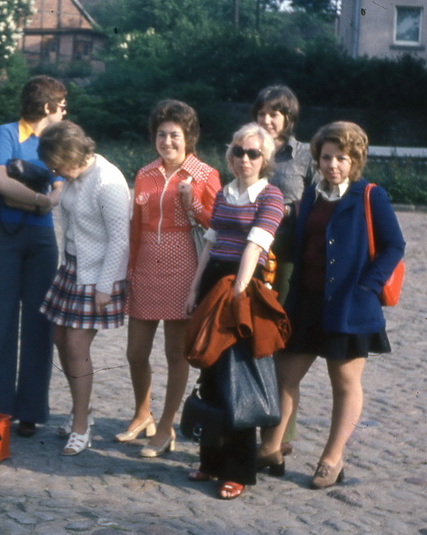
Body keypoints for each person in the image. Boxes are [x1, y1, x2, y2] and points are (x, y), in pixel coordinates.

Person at [258, 121, 405, 489]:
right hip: (306, 301)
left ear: (355, 160)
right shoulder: (311, 195)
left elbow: (394, 246)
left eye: (341, 158)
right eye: (326, 157)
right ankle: (271, 448)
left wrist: (367, 288)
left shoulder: (371, 196)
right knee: (285, 376)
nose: (332, 165)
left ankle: (332, 457)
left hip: (349, 305)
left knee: (344, 383)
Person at [184, 122, 283, 499]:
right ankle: (210, 462)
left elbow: (254, 249)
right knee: (210, 373)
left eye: (253, 153)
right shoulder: (224, 195)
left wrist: (237, 294)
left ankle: (238, 470)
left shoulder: (270, 197)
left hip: (243, 289)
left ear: (265, 159)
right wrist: (195, 288)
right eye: (238, 151)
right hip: (214, 284)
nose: (244, 159)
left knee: (238, 381)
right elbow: (211, 243)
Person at [122, 100, 220, 457]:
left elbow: (217, 224)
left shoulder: (205, 174)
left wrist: (193, 202)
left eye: (174, 135)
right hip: (146, 268)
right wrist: (130, 270)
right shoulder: (145, 173)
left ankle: (166, 427)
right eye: (161, 134)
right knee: (135, 352)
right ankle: (142, 413)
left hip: (184, 271)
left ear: (188, 136)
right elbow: (136, 228)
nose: (167, 142)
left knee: (175, 355)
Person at [0, 75, 67, 437]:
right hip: (6, 236)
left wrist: (33, 197)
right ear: (47, 107)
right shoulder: (7, 132)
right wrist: (41, 199)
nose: (66, 111)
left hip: (42, 238)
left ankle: (31, 409)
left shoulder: (56, 140)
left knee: (38, 323)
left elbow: (60, 184)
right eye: (62, 105)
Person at [37, 120, 131, 455]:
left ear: (72, 155)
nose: (53, 169)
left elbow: (120, 240)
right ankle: (83, 409)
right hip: (73, 269)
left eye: (56, 162)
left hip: (99, 276)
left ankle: (81, 425)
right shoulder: (74, 176)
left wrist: (105, 287)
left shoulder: (108, 182)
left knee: (76, 346)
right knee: (60, 339)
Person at [251, 85, 317, 455]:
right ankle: (252, 420)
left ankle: (280, 434)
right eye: (262, 113)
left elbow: (313, 208)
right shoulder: (247, 149)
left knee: (283, 343)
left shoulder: (305, 155)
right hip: (252, 259)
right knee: (252, 339)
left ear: (288, 118)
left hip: (289, 258)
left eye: (274, 113)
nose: (267, 120)